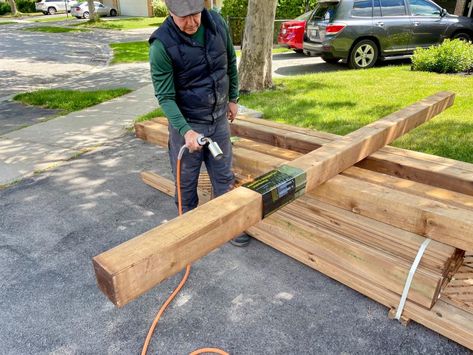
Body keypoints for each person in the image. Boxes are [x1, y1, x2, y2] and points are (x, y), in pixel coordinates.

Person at [149, 0, 250, 246]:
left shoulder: (216, 23)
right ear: (170, 12)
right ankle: (189, 231)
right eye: (183, 17)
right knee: (185, 182)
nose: (192, 22)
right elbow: (165, 97)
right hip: (188, 123)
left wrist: (233, 98)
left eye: (195, 14)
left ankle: (229, 226)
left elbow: (229, 64)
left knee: (224, 177)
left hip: (218, 120)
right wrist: (186, 131)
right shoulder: (161, 45)